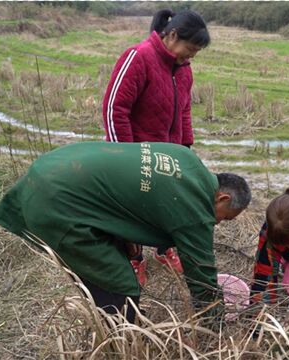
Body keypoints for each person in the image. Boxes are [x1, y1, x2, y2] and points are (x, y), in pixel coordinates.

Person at [0, 142, 251, 323]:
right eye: (224, 218)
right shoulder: (194, 208)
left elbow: (135, 196)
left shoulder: (186, 159)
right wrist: (215, 321)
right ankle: (119, 342)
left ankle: (113, 320)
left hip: (55, 166)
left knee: (109, 270)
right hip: (59, 202)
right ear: (222, 198)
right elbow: (202, 275)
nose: (217, 225)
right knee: (120, 285)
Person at [102, 9, 211, 283]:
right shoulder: (138, 57)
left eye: (195, 53)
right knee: (131, 210)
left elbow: (184, 111)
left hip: (168, 155)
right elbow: (115, 109)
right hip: (135, 153)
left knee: (171, 205)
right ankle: (134, 258)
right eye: (189, 49)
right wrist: (123, 158)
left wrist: (185, 149)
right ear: (172, 35)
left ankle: (165, 250)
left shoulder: (183, 70)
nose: (190, 57)